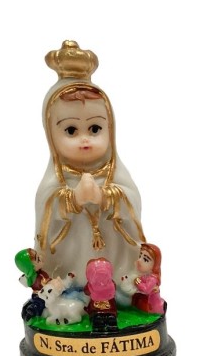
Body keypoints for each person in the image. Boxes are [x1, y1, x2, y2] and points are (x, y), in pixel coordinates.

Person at [35, 41, 145, 285]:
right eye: (71, 130)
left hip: (114, 259)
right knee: (71, 280)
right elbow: (45, 213)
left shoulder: (115, 172)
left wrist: (106, 197)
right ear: (50, 134)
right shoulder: (56, 179)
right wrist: (71, 200)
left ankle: (118, 290)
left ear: (110, 128)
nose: (85, 139)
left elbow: (133, 204)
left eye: (95, 128)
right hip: (71, 263)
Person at [130, 243, 166, 314]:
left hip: (150, 304)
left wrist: (138, 282)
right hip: (143, 299)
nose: (139, 260)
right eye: (140, 256)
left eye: (145, 259)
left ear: (154, 265)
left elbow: (146, 289)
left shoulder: (152, 278)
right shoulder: (144, 275)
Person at [15, 248, 50, 321]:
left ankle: (30, 308)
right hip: (41, 296)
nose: (41, 258)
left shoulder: (37, 274)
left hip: (37, 295)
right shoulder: (39, 276)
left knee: (37, 302)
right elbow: (47, 284)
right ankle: (32, 311)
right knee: (40, 304)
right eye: (38, 259)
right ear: (32, 267)